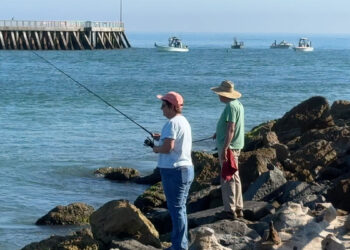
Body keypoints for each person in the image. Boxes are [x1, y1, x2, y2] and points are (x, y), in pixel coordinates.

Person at [150, 91, 194, 250]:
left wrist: (155, 149)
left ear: (171, 107)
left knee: (176, 211)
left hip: (175, 171)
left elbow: (168, 148)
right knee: (180, 209)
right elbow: (173, 140)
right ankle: (180, 244)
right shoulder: (182, 121)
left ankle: (180, 247)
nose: (161, 108)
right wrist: (161, 137)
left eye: (163, 105)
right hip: (184, 169)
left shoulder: (172, 123)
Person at [211, 80, 245, 220]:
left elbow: (231, 128)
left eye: (219, 93)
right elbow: (230, 126)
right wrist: (218, 133)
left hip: (229, 147)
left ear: (224, 94)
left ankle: (230, 210)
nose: (218, 96)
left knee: (227, 177)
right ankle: (238, 207)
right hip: (236, 145)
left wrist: (225, 148)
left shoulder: (230, 106)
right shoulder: (238, 104)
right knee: (235, 177)